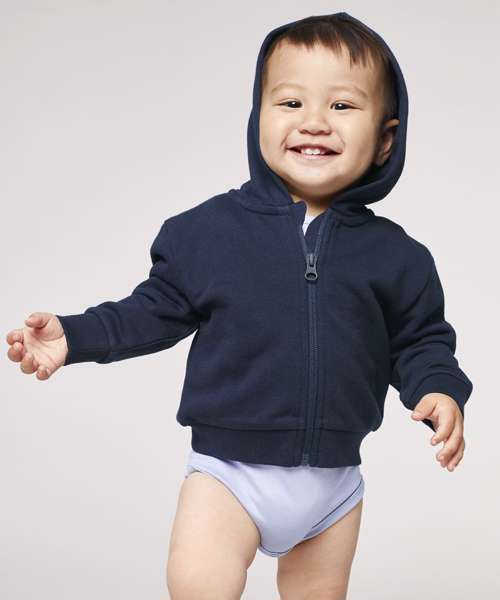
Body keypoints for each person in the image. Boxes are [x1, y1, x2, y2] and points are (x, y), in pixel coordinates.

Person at [6, 11, 473, 600]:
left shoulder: (398, 257)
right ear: (259, 119)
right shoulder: (209, 234)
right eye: (291, 102)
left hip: (333, 485)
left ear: (385, 138)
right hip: (228, 475)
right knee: (200, 585)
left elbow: (421, 340)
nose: (314, 121)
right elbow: (150, 311)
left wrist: (439, 389)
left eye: (342, 106)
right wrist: (74, 336)